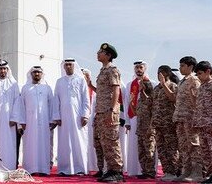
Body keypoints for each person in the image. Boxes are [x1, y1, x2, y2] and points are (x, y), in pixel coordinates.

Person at [87, 43, 124, 182]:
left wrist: (112, 110)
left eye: (100, 52)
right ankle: (110, 170)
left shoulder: (112, 70)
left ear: (108, 55)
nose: (97, 54)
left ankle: (117, 172)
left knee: (112, 141)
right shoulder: (102, 71)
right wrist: (91, 86)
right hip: (101, 112)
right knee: (105, 142)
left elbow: (116, 90)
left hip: (109, 111)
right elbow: (103, 92)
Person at [53, 58, 90, 176]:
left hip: (78, 116)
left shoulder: (80, 80)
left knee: (78, 141)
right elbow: (56, 100)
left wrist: (85, 115)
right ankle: (64, 169)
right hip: (63, 118)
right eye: (66, 65)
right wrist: (57, 116)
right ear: (64, 67)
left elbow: (85, 98)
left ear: (74, 66)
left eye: (70, 64)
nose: (68, 66)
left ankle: (80, 168)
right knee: (64, 142)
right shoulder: (59, 81)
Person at [17, 66, 54, 176]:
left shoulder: (47, 88)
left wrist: (52, 120)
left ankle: (44, 169)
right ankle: (30, 169)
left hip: (44, 122)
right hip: (29, 123)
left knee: (44, 145)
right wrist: (21, 122)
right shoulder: (25, 88)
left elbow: (52, 105)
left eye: (39, 72)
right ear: (31, 74)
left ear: (42, 74)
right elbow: (21, 106)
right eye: (34, 72)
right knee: (30, 145)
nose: (37, 74)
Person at [123, 60, 157, 177]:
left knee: (149, 146)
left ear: (145, 69)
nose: (138, 69)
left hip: (148, 120)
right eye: (136, 67)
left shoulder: (153, 84)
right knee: (137, 146)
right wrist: (127, 121)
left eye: (140, 67)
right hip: (133, 118)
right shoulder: (129, 85)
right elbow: (127, 102)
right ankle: (138, 170)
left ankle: (150, 171)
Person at [172, 56, 202, 182]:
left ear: (190, 67)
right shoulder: (182, 81)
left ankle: (197, 173)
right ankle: (186, 171)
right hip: (180, 117)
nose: (180, 68)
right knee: (184, 147)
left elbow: (197, 101)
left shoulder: (194, 80)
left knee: (194, 145)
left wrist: (197, 118)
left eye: (183, 65)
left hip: (191, 118)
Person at [151, 65, 180, 181]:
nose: (159, 75)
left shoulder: (173, 85)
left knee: (171, 148)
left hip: (169, 123)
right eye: (158, 73)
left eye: (162, 73)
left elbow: (174, 99)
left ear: (167, 74)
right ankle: (167, 171)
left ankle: (175, 171)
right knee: (162, 149)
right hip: (158, 124)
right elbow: (153, 106)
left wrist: (164, 85)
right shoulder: (156, 89)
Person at [0, 60, 20, 170]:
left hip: (9, 118)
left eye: (4, 69)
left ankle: (9, 166)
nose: (2, 71)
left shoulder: (13, 84)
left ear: (7, 70)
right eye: (0, 69)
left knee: (9, 142)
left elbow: (17, 101)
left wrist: (14, 117)